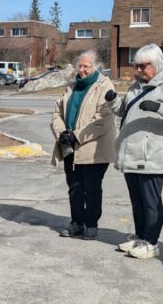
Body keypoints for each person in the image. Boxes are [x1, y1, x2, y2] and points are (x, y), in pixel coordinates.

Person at [113, 44, 163, 259]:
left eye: (142, 66)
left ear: (155, 65)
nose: (138, 70)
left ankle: (152, 242)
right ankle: (141, 237)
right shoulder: (136, 87)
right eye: (136, 66)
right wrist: (113, 101)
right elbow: (123, 111)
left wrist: (160, 107)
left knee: (150, 201)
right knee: (137, 201)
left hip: (151, 154)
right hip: (130, 153)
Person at [49, 50, 120, 240]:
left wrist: (77, 135)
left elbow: (103, 120)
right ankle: (76, 223)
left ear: (95, 67)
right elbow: (57, 113)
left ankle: (91, 224)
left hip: (94, 147)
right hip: (70, 147)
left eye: (86, 66)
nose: (81, 70)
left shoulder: (104, 86)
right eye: (79, 66)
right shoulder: (72, 87)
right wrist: (61, 133)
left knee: (92, 187)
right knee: (74, 187)